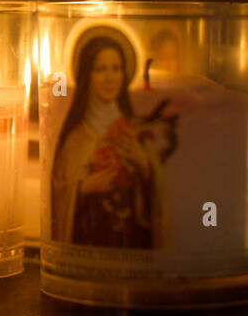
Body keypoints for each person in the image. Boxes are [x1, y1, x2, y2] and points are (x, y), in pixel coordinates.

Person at [50, 33, 167, 248]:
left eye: (116, 68)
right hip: (87, 246)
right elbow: (56, 197)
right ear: (87, 75)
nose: (110, 78)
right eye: (100, 69)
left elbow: (162, 202)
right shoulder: (74, 140)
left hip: (131, 247)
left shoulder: (135, 135)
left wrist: (145, 166)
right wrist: (82, 188)